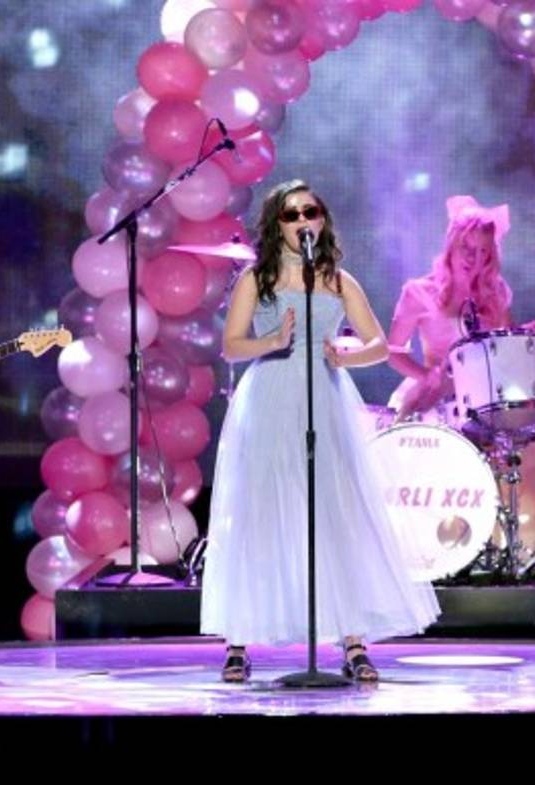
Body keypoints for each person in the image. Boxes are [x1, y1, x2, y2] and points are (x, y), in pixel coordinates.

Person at [200, 179, 439, 683]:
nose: (303, 220)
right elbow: (230, 347)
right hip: (269, 399)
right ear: (276, 225)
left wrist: (348, 352)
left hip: (325, 398)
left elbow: (380, 345)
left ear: (322, 219)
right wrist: (271, 339)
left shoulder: (338, 279)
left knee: (334, 513)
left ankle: (351, 641)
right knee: (259, 513)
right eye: (291, 214)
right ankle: (238, 641)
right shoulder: (255, 279)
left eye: (311, 211)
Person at [385, 195, 535, 553]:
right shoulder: (418, 292)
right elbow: (391, 351)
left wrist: (524, 333)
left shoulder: (495, 293)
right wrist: (424, 373)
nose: (474, 260)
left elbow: (501, 349)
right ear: (451, 247)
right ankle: (446, 543)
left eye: (484, 252)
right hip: (437, 394)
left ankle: (523, 545)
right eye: (467, 250)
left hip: (485, 394)